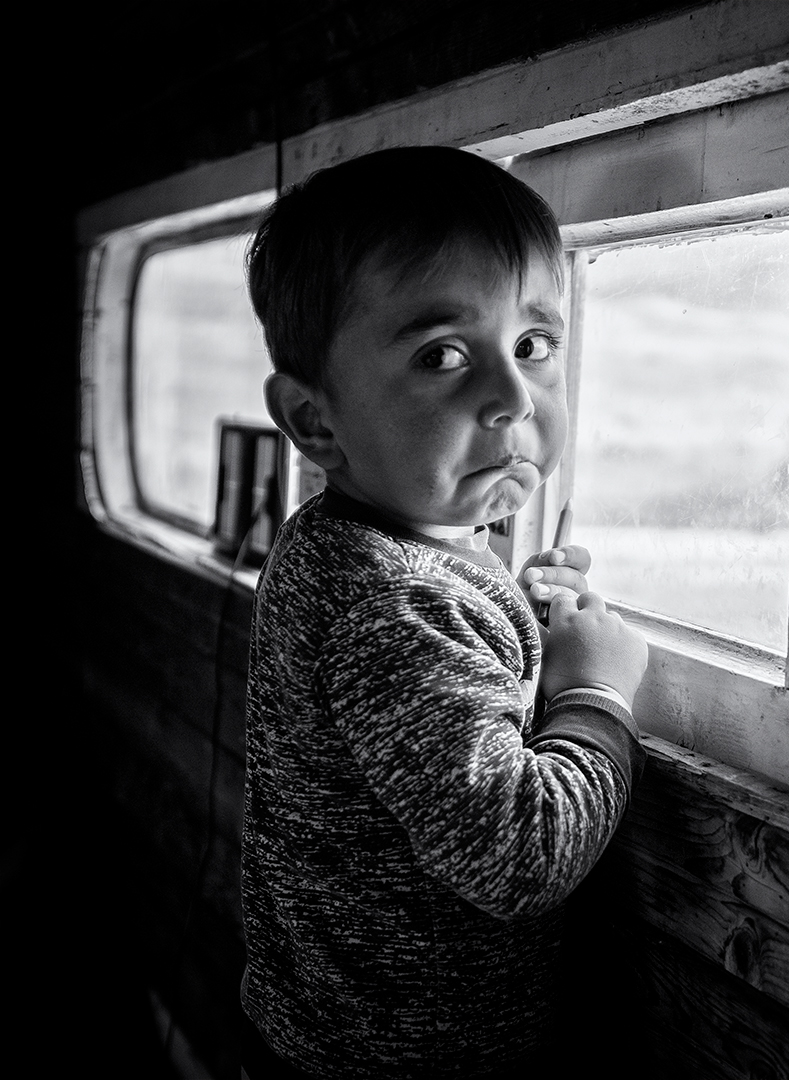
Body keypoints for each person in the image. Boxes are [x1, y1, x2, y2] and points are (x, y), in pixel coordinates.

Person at [238, 146, 649, 1079]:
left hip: (320, 1025)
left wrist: (513, 614)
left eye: (533, 346)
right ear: (315, 421)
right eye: (443, 356)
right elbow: (520, 856)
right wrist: (596, 691)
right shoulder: (393, 602)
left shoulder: (351, 540)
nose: (513, 398)